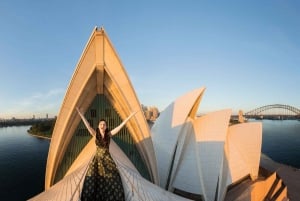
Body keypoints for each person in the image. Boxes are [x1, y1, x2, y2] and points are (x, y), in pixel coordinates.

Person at [76, 107, 137, 201]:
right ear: (98, 125)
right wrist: (80, 114)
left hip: (107, 159)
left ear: (106, 126)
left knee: (113, 178)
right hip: (97, 160)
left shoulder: (109, 135)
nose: (102, 126)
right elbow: (88, 126)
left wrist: (130, 116)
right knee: (92, 179)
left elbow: (120, 127)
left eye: (104, 124)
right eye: (101, 124)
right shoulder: (95, 134)